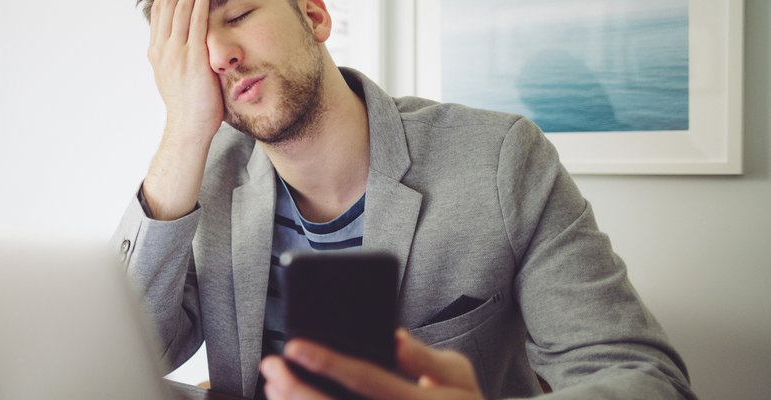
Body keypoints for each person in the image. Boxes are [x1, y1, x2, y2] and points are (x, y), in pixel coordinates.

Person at [110, 0, 695, 398]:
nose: (218, 56)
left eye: (236, 13)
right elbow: (128, 352)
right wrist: (184, 132)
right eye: (190, 48)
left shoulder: (499, 159)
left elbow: (641, 377)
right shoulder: (201, 176)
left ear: (313, 14)